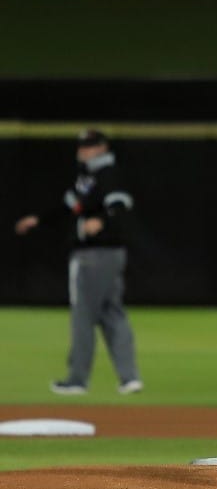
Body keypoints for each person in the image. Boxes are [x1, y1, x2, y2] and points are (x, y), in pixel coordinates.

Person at [14, 128, 143, 396]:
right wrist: (39, 220)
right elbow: (67, 206)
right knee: (112, 312)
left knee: (83, 315)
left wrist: (103, 220)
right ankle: (129, 378)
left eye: (89, 146)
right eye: (82, 145)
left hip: (93, 255)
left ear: (102, 148)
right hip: (111, 254)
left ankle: (77, 380)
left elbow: (120, 203)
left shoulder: (108, 173)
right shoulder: (89, 177)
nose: (83, 150)